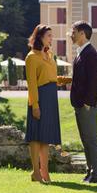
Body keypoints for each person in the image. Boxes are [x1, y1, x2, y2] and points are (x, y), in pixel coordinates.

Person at [25, 24, 61, 184]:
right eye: (48, 36)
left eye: (51, 36)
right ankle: (35, 171)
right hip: (39, 97)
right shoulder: (31, 57)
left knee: (45, 137)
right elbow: (32, 83)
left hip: (51, 97)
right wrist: (35, 105)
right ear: (39, 37)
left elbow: (51, 76)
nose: (51, 39)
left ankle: (44, 171)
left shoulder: (50, 55)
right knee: (35, 136)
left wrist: (61, 81)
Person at [69, 21, 97, 184]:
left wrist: (88, 103)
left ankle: (96, 175)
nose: (71, 34)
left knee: (91, 140)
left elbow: (93, 81)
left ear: (82, 34)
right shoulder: (81, 53)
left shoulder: (90, 54)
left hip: (87, 105)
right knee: (86, 140)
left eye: (74, 31)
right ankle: (90, 172)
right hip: (80, 104)